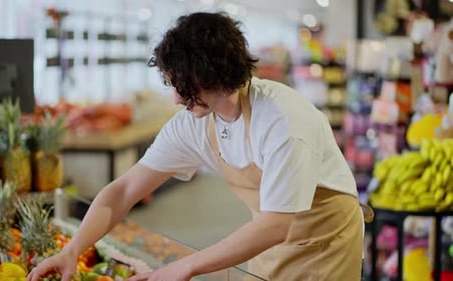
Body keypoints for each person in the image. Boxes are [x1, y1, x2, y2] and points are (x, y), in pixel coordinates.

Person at [28, 12, 371, 281]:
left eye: (181, 84)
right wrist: (74, 249)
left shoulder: (283, 122)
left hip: (325, 243)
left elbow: (277, 225)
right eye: (170, 84)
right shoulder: (193, 123)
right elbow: (124, 190)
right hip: (268, 243)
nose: (176, 98)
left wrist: (189, 266)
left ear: (213, 74)